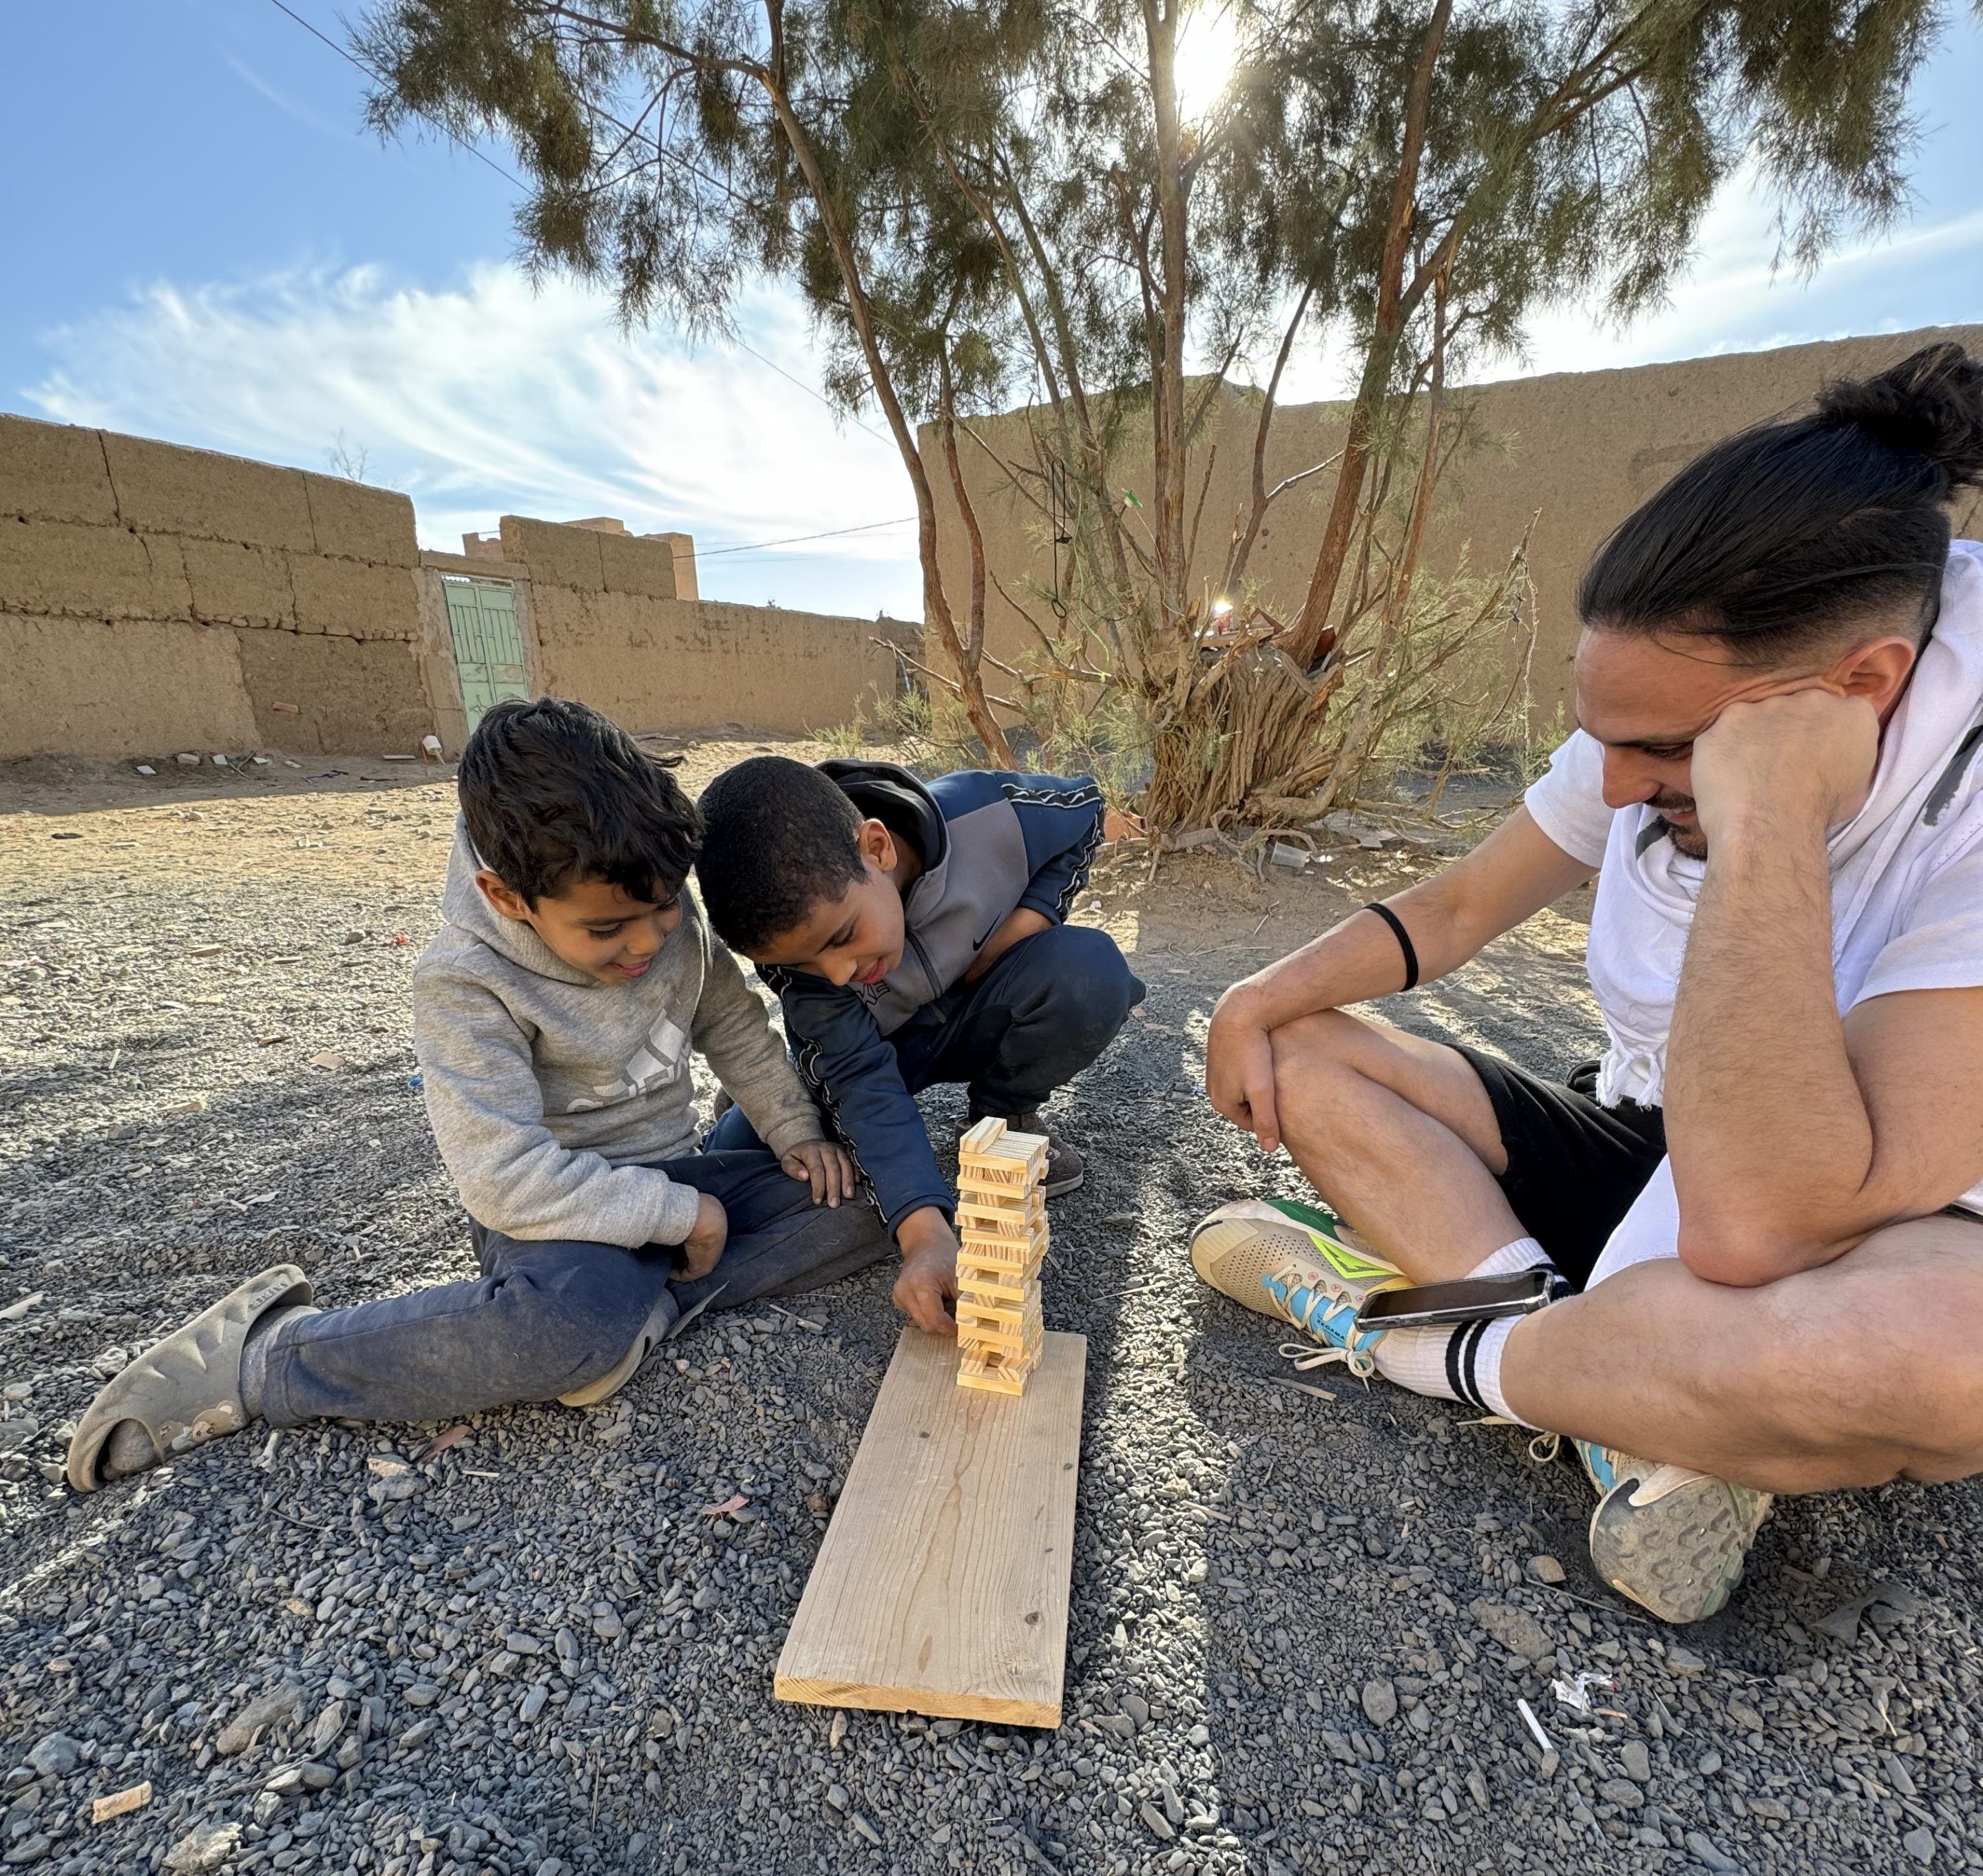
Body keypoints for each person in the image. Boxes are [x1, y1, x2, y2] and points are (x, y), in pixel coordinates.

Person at [1190, 342, 1983, 1623]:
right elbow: (1452, 906)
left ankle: (1409, 1331)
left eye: (1664, 747)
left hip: (1873, 1226)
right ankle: (1623, 1403)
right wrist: (1253, 994)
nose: (1613, 788)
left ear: (1867, 684)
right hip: (1659, 1143)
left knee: (1951, 1364)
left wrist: (1772, 812)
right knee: (1300, 1049)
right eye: (1607, 737)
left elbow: (1757, 1223)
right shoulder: (1666, 708)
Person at [67, 698, 888, 1492]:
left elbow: (737, 1029)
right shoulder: (464, 983)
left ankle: (646, 1308)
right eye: (607, 931)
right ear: (507, 897)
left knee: (870, 1202)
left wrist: (791, 1132)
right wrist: (685, 1219)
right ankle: (268, 1357)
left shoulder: (651, 903)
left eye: (665, 907)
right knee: (560, 1334)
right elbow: (503, 1180)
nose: (647, 941)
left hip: (672, 1174)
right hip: (556, 1215)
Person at [693, 755, 1142, 1334]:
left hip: (987, 1008)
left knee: (1090, 972)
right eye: (806, 965)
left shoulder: (990, 814)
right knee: (757, 1144)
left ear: (877, 849)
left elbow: (1086, 810)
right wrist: (926, 1234)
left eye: (842, 938)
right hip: (880, 1052)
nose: (837, 975)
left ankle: (1003, 1122)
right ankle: (772, 1091)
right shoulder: (810, 949)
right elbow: (861, 1080)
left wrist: (1032, 917)